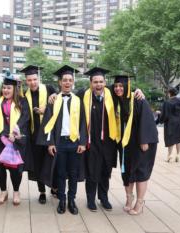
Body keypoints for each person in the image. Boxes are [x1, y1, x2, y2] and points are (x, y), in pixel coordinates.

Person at [37, 65, 87, 215]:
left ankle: (72, 200)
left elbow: (84, 122)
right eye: (64, 80)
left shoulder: (78, 100)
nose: (67, 83)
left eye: (70, 80)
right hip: (59, 142)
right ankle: (62, 200)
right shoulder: (53, 100)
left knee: (73, 173)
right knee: (60, 173)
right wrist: (50, 143)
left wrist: (83, 142)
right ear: (60, 82)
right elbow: (47, 123)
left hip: (74, 142)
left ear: (73, 82)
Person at [112, 75, 158, 215]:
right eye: (116, 86)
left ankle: (140, 202)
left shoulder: (138, 100)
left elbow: (147, 120)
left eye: (121, 86)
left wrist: (144, 140)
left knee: (140, 172)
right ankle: (129, 198)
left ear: (127, 86)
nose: (118, 88)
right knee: (126, 171)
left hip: (141, 142)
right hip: (125, 143)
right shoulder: (116, 100)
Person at [0, 72, 31, 206]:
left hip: (14, 138)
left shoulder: (22, 101)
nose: (5, 90)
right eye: (4, 88)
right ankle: (3, 191)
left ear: (14, 89)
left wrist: (15, 131)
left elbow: (25, 118)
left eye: (8, 88)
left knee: (15, 168)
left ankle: (16, 191)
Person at [76, 67, 118, 212]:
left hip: (108, 142)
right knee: (91, 171)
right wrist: (54, 96)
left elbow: (127, 94)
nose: (98, 85)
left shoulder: (112, 95)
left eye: (101, 82)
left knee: (105, 171)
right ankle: (90, 199)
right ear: (90, 83)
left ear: (105, 82)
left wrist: (139, 91)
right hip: (91, 141)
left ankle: (104, 197)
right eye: (95, 82)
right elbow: (67, 97)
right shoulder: (83, 95)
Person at [20, 65, 57, 204]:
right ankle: (42, 192)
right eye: (29, 80)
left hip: (49, 135)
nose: (32, 82)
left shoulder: (49, 89)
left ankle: (54, 187)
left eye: (35, 79)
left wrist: (46, 108)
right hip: (34, 136)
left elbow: (58, 104)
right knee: (38, 165)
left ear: (38, 78)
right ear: (26, 81)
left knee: (52, 163)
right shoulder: (24, 95)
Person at [156, 87, 180, 162]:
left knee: (170, 139)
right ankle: (178, 155)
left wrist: (159, 116)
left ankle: (170, 156)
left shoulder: (167, 102)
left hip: (170, 123)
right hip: (179, 122)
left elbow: (165, 114)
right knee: (178, 139)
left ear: (169, 93)